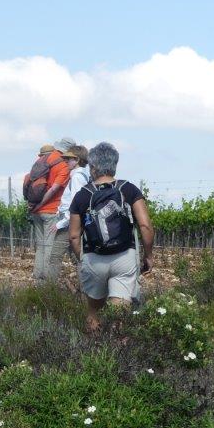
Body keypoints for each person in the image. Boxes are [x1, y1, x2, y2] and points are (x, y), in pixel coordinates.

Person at [68, 142, 154, 333]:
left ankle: (94, 354)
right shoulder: (129, 189)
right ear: (114, 165)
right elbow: (145, 226)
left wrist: (83, 259)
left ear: (93, 167)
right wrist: (148, 255)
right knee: (119, 314)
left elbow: (74, 236)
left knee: (93, 311)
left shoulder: (83, 195)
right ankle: (117, 352)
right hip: (124, 257)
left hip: (94, 258)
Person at [29, 136, 74, 281]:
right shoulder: (63, 165)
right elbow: (54, 189)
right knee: (49, 247)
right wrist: (42, 204)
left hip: (36, 212)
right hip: (51, 210)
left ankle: (38, 280)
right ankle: (47, 286)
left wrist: (35, 206)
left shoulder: (43, 159)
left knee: (40, 247)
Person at [45, 144, 89, 283]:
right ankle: (86, 293)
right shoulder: (83, 175)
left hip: (69, 224)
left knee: (55, 258)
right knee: (78, 258)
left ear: (77, 160)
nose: (65, 161)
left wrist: (61, 223)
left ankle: (48, 291)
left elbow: (76, 204)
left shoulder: (77, 177)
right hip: (73, 223)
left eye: (68, 159)